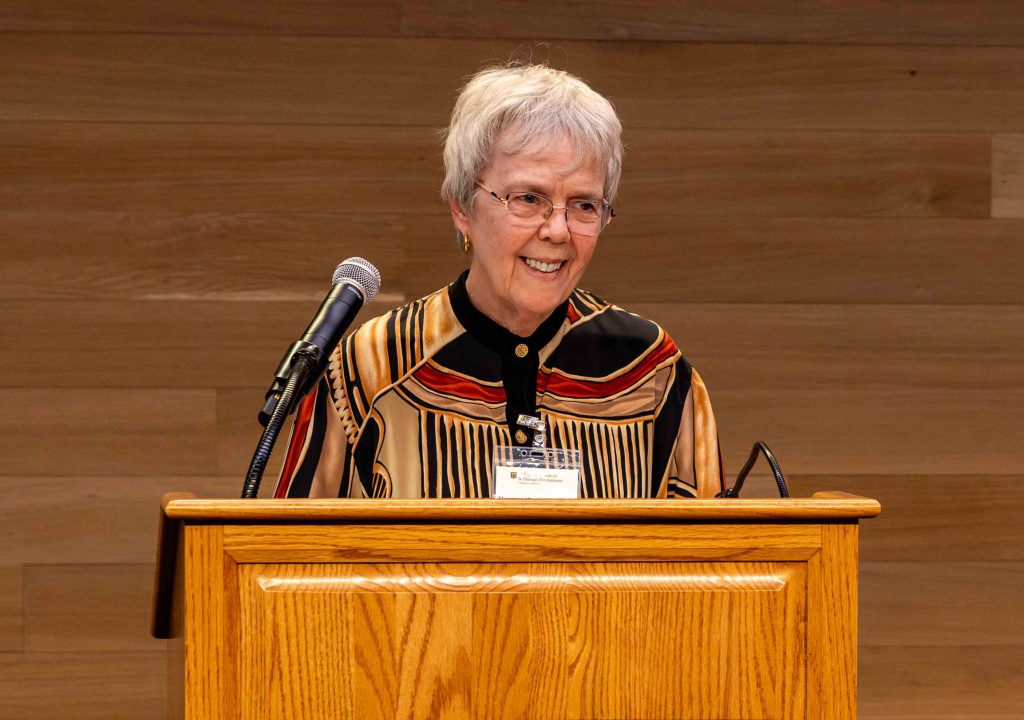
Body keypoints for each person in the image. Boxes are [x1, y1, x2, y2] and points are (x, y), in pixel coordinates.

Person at [275, 63, 723, 499]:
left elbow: (715, 562)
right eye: (529, 198)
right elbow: (288, 561)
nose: (558, 230)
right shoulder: (369, 368)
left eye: (584, 205)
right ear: (462, 208)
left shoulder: (652, 371)